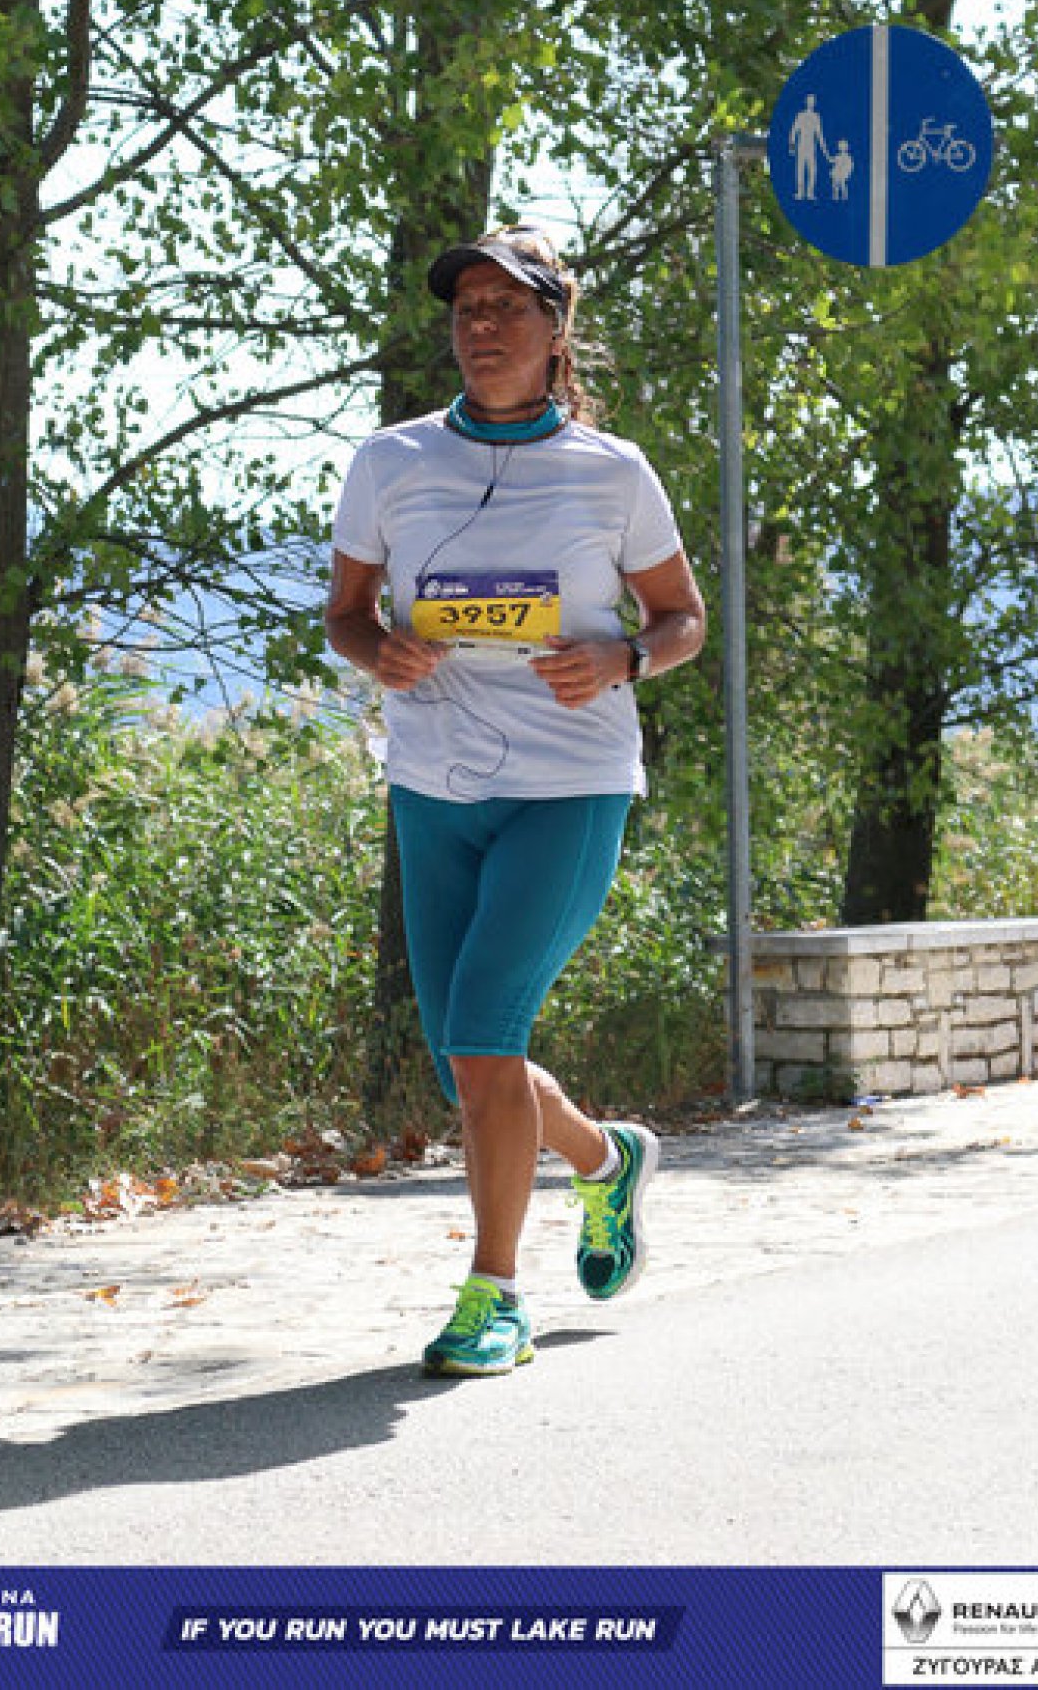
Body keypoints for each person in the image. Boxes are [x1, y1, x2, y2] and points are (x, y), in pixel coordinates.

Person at [325, 225, 705, 1376]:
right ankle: (605, 1161)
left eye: (505, 307)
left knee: (484, 1033)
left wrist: (623, 659)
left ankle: (492, 1295)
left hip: (567, 784)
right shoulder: (388, 462)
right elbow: (346, 614)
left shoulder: (612, 471)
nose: (481, 325)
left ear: (553, 330)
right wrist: (378, 652)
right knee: (466, 1055)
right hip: (431, 783)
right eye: (465, 309)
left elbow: (681, 618)